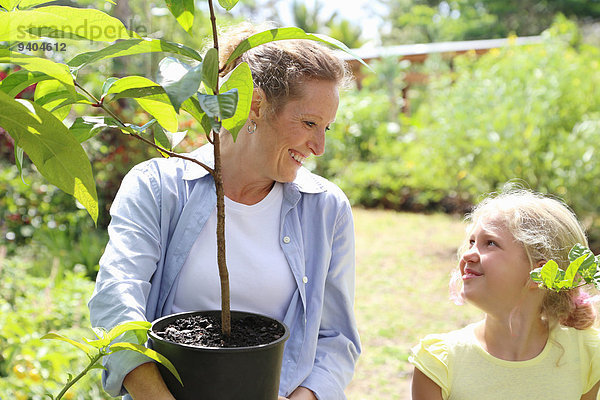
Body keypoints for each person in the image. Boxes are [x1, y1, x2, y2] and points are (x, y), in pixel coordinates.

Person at [89, 23, 361, 400]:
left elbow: (337, 339)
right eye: (310, 123)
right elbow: (116, 300)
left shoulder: (326, 209)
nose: (319, 146)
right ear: (255, 105)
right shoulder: (159, 187)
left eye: (326, 127)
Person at [409, 188, 600, 400]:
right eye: (472, 242)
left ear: (541, 273)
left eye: (490, 243)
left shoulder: (587, 356)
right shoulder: (439, 363)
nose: (469, 254)